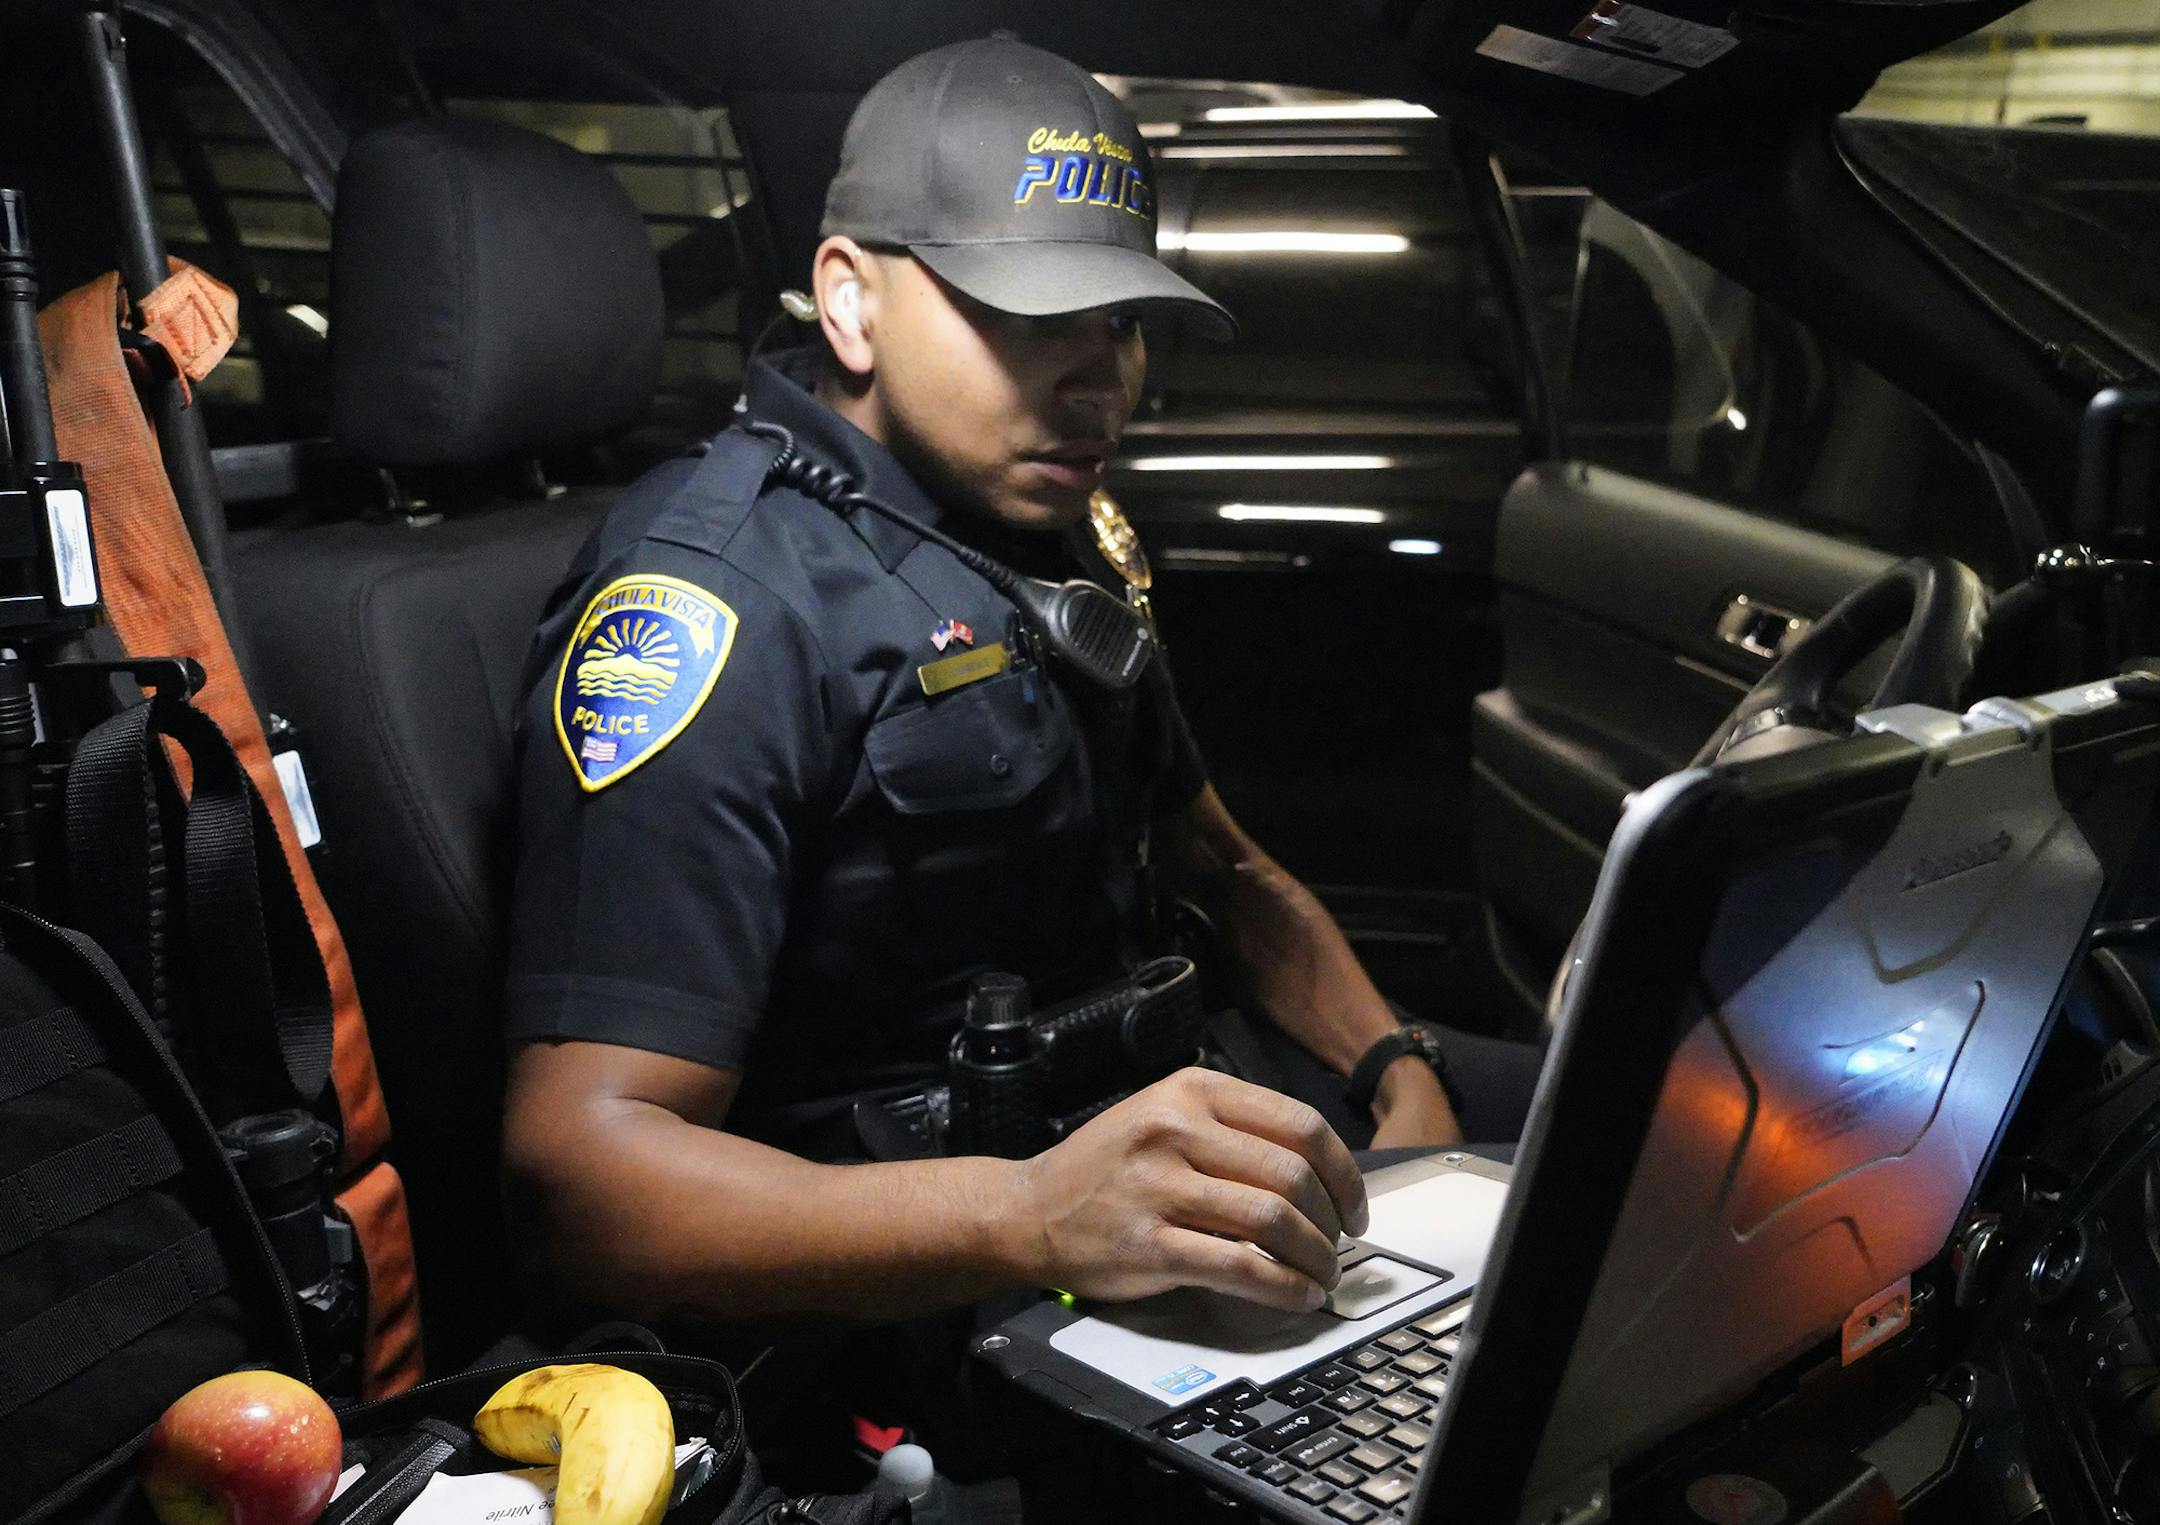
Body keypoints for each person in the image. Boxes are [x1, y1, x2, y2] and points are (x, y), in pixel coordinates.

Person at [500, 37, 1539, 1341]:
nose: (1101, 378)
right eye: (1037, 317)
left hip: (1135, 1135)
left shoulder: (1034, 531)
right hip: (932, 1278)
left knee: (1629, 1129)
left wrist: (1399, 1066)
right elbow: (578, 1176)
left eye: (1122, 325)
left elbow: (1216, 865)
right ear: (851, 300)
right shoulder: (716, 607)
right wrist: (1034, 1213)